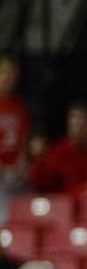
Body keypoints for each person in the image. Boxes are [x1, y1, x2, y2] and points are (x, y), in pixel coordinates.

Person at [30, 102, 87, 198]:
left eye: (83, 124)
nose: (77, 129)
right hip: (65, 206)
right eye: (73, 124)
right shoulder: (58, 153)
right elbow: (41, 185)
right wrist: (38, 159)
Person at [0, 56, 33, 201]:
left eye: (13, 74)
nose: (9, 78)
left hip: (15, 171)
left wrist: (22, 161)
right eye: (5, 72)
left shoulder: (19, 106)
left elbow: (24, 135)